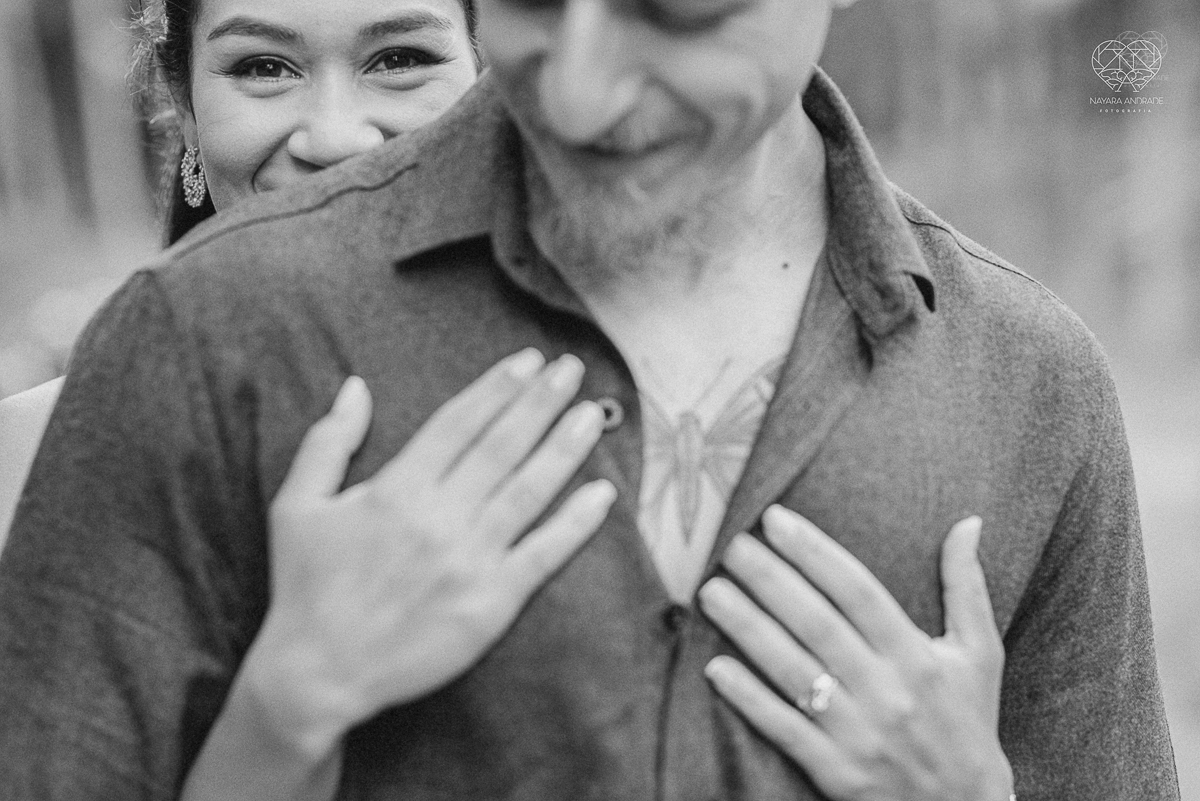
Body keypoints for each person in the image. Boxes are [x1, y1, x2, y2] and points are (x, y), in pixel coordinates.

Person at [0, 0, 1180, 799]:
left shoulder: (1032, 381)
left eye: (672, 11)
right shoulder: (201, 336)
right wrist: (290, 710)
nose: (578, 91)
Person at [0, 0, 481, 545]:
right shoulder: (30, 461)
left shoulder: (562, 396)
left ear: (494, 80)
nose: (334, 141)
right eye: (264, 67)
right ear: (183, 101)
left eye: (400, 60)